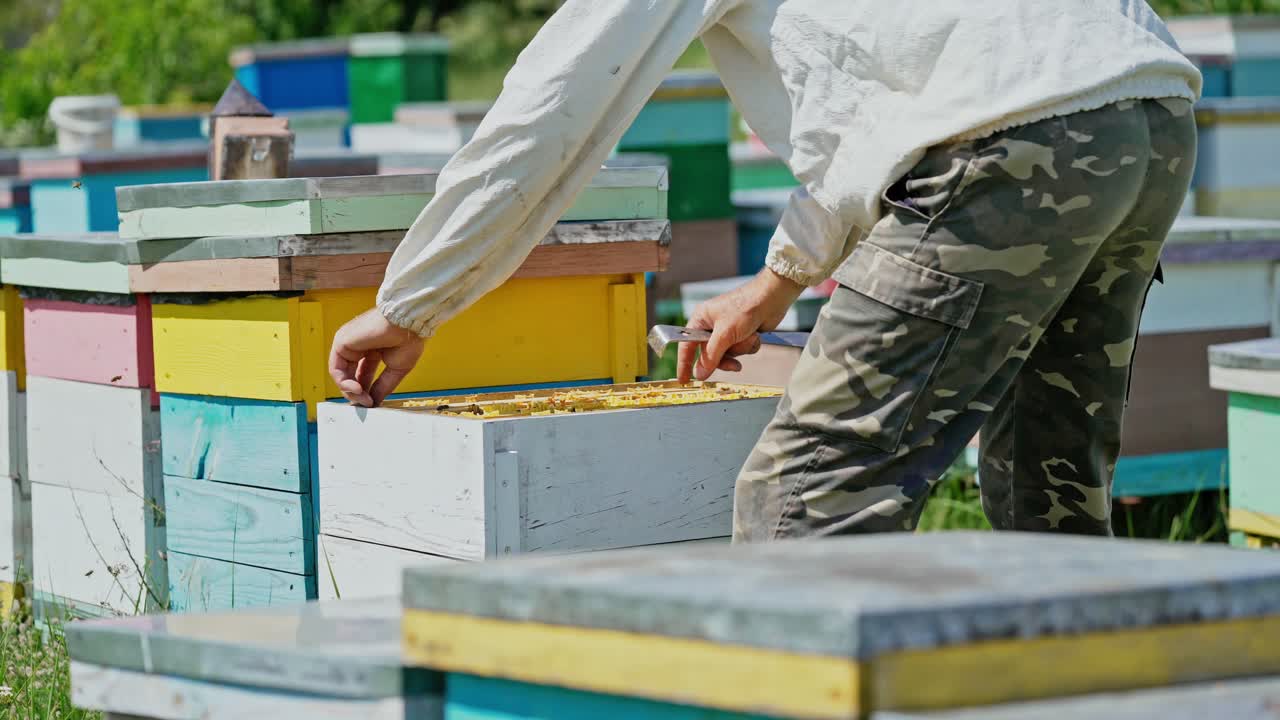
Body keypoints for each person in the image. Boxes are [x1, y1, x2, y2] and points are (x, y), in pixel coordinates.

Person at [329, 1, 1201, 540]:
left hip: (1012, 144)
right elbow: (921, 97)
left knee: (806, 497)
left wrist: (413, 303)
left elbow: (551, 108)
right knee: (1047, 498)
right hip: (1150, 119)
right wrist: (778, 278)